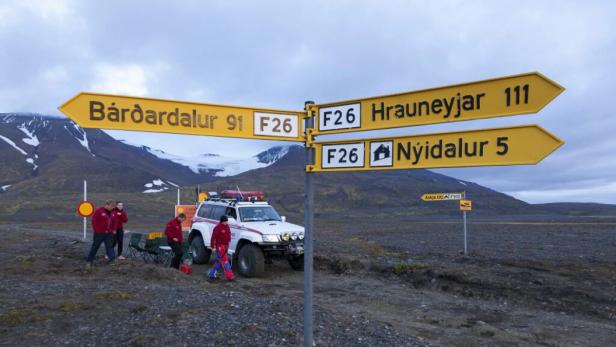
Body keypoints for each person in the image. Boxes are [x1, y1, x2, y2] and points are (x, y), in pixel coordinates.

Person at [86, 200, 116, 269]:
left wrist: (113, 230)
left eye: (113, 207)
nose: (112, 208)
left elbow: (114, 221)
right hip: (99, 233)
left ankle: (112, 260)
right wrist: (97, 231)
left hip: (109, 233)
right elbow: (94, 221)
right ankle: (89, 261)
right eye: (111, 206)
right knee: (95, 247)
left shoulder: (112, 213)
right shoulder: (99, 211)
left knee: (109, 246)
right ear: (107, 205)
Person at [208, 215, 234, 281]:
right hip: (220, 246)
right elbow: (213, 237)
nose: (226, 223)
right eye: (225, 221)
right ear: (222, 221)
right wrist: (212, 247)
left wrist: (229, 241)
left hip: (225, 246)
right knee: (225, 261)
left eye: (227, 221)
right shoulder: (217, 228)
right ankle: (229, 276)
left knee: (219, 261)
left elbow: (228, 234)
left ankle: (211, 274)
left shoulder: (227, 226)